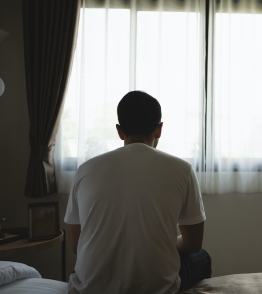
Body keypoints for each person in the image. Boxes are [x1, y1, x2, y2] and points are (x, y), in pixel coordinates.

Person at [64, 91, 211, 294]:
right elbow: (193, 243)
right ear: (159, 129)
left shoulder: (85, 170)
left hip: (90, 289)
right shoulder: (181, 170)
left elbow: (75, 244)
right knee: (203, 257)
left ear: (119, 131)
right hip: (156, 288)